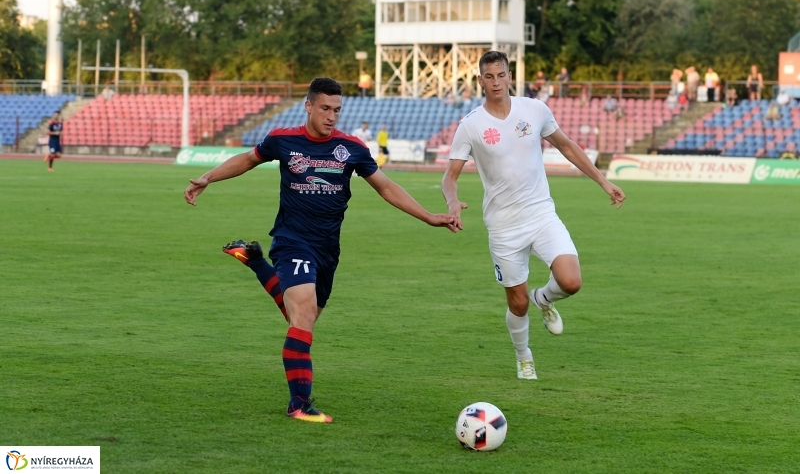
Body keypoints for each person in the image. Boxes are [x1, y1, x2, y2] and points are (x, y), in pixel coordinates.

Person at [183, 77, 455, 423]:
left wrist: (429, 216)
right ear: (308, 106)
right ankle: (299, 403)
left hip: (328, 249)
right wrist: (208, 177)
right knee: (303, 317)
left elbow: (386, 187)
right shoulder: (283, 140)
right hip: (292, 241)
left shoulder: (351, 148)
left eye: (337, 110)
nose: (331, 116)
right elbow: (248, 160)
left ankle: (254, 261)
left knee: (302, 319)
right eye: (325, 108)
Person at [441, 51, 626, 380]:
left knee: (571, 281)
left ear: (510, 76)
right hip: (503, 227)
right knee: (517, 304)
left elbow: (567, 146)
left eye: (501, 75)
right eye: (489, 77)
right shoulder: (471, 125)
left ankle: (545, 298)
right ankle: (524, 355)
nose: (496, 82)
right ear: (480, 80)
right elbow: (450, 176)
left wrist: (603, 181)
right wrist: (453, 202)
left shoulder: (535, 110)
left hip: (541, 214)